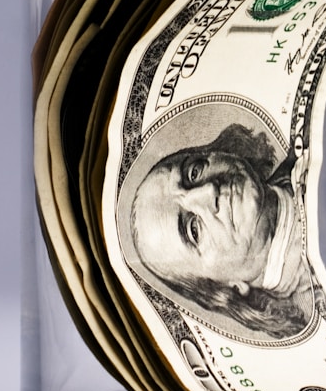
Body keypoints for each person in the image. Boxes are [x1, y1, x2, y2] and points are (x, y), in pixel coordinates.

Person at [127, 123, 313, 338]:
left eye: (194, 172)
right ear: (227, 289)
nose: (209, 190)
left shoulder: (310, 136)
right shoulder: (314, 303)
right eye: (193, 230)